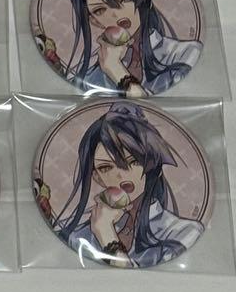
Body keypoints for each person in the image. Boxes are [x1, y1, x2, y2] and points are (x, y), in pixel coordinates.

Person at [49, 103, 203, 268]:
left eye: (134, 161)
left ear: (154, 167)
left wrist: (107, 237)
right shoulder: (79, 236)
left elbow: (139, 280)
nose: (121, 175)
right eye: (106, 167)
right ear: (97, 177)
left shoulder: (183, 231)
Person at [65, 0, 201, 96]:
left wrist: (117, 71)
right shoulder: (90, 79)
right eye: (100, 10)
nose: (116, 14)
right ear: (94, 21)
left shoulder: (186, 53)